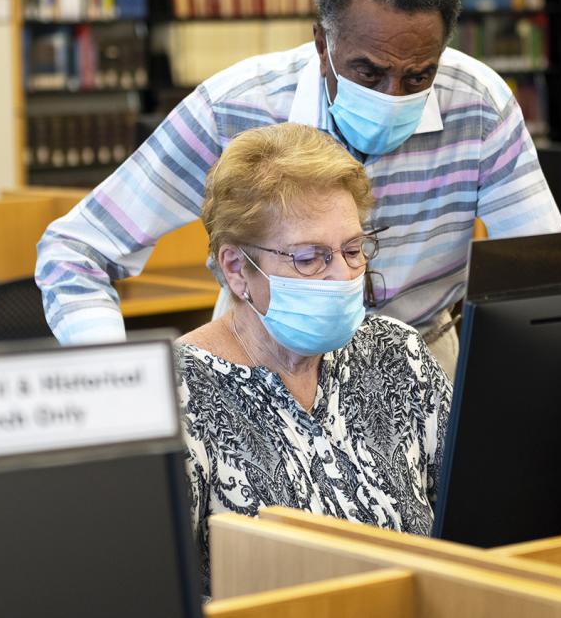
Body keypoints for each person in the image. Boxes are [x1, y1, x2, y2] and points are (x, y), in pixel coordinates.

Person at [36, 0, 561, 374]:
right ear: (321, 44)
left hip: (422, 365)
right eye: (368, 72)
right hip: (258, 366)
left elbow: (548, 275)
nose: (393, 95)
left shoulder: (479, 104)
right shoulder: (236, 107)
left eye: (418, 76)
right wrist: (111, 377)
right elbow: (76, 249)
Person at [175, 123, 450, 593]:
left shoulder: (396, 354)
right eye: (311, 258)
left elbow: (469, 521)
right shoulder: (179, 393)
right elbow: (161, 591)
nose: (343, 275)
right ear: (237, 268)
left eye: (352, 249)